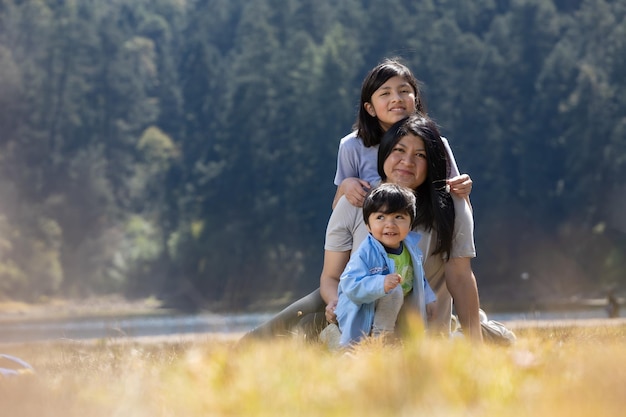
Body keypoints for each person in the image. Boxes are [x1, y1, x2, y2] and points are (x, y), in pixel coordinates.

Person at [241, 59, 481, 342]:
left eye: (404, 91)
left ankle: (479, 328)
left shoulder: (437, 149)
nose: (396, 99)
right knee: (300, 320)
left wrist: (461, 191)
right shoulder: (354, 149)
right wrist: (345, 188)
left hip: (412, 303)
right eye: (385, 93)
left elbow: (450, 201)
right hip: (357, 281)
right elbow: (340, 220)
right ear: (369, 107)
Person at [336, 183, 436, 347]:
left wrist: (429, 299)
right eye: (380, 218)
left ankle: (391, 341)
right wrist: (380, 284)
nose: (390, 224)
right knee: (394, 291)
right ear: (368, 225)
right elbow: (349, 285)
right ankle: (380, 339)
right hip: (363, 311)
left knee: (410, 342)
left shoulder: (411, 250)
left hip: (394, 311)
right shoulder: (366, 253)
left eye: (398, 217)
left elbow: (418, 278)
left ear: (410, 224)